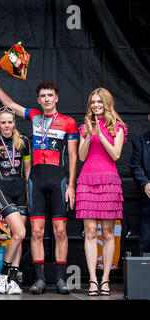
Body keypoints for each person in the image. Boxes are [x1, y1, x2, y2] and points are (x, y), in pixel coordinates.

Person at [0, 62, 78, 295]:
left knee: (60, 231)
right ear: (38, 100)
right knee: (36, 232)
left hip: (58, 179)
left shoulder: (68, 123)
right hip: (35, 180)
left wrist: (72, 187)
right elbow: (8, 105)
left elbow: (74, 156)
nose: (46, 99)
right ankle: (39, 280)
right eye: (42, 96)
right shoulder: (35, 117)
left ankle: (60, 279)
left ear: (56, 98)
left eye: (50, 95)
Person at [76, 88, 127, 296]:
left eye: (99, 102)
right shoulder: (84, 128)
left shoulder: (118, 127)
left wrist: (99, 134)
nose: (96, 105)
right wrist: (88, 135)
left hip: (108, 182)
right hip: (87, 181)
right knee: (89, 233)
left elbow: (115, 155)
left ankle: (105, 279)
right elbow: (81, 156)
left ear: (107, 103)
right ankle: (93, 280)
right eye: (93, 102)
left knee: (107, 234)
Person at [0, 106, 31, 295]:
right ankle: (3, 273)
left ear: (14, 123)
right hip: (1, 190)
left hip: (21, 191)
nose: (7, 125)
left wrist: (31, 192)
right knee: (19, 233)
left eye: (10, 122)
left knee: (18, 237)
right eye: (3, 122)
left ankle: (12, 280)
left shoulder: (24, 142)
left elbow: (28, 170)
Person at [130, 113, 150, 255]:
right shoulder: (141, 141)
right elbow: (135, 166)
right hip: (148, 199)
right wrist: (145, 183)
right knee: (146, 240)